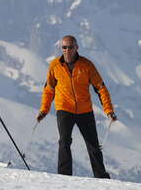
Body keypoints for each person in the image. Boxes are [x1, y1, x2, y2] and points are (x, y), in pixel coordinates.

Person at [37, 35, 117, 178]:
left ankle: (101, 177)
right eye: (64, 47)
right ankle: (64, 177)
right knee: (64, 142)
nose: (67, 50)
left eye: (70, 47)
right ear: (61, 48)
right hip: (64, 109)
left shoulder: (87, 65)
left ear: (76, 48)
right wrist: (44, 109)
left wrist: (108, 110)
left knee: (93, 144)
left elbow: (100, 88)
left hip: (84, 110)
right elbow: (49, 89)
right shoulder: (54, 66)